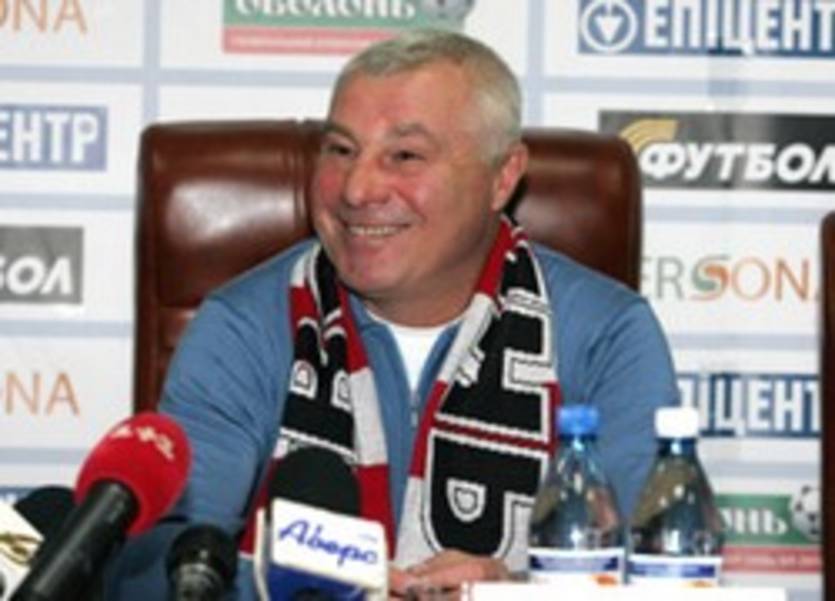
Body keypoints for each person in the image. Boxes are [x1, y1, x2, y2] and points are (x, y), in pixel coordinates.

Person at [106, 28, 679, 599]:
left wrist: (512, 591)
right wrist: (306, 588)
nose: (358, 189)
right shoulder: (244, 326)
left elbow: (658, 574)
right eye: (341, 150)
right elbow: (155, 572)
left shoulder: (606, 334)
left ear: (502, 176)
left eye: (404, 156)